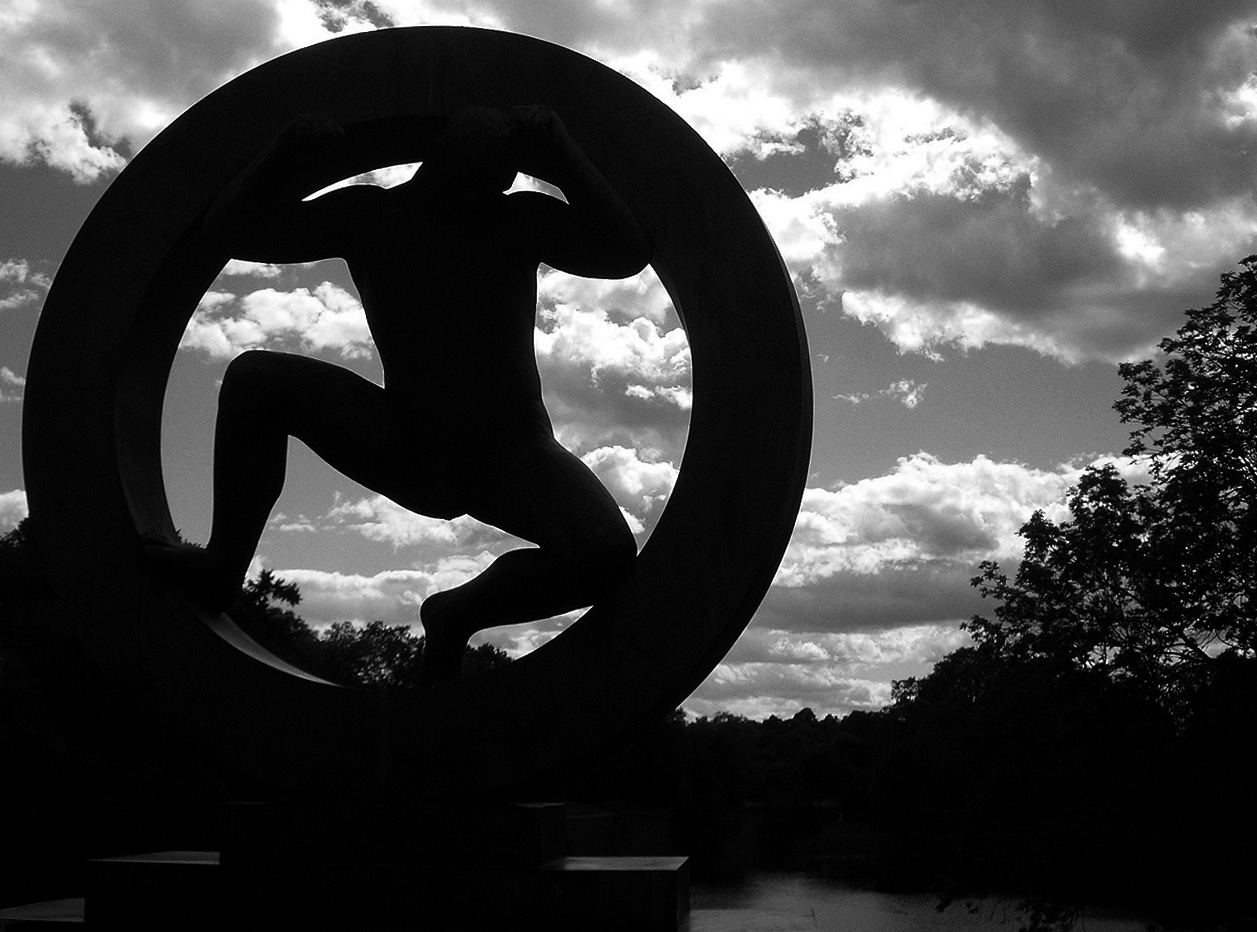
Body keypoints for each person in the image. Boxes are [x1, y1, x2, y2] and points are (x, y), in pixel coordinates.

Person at [148, 105, 651, 685]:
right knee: (255, 380)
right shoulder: (371, 213)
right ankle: (221, 566)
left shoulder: (518, 219)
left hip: (510, 450)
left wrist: (564, 154)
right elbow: (230, 232)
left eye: (513, 159)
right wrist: (283, 150)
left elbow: (625, 250)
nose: (505, 159)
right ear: (440, 139)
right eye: (495, 136)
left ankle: (457, 613)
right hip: (406, 437)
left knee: (605, 553)